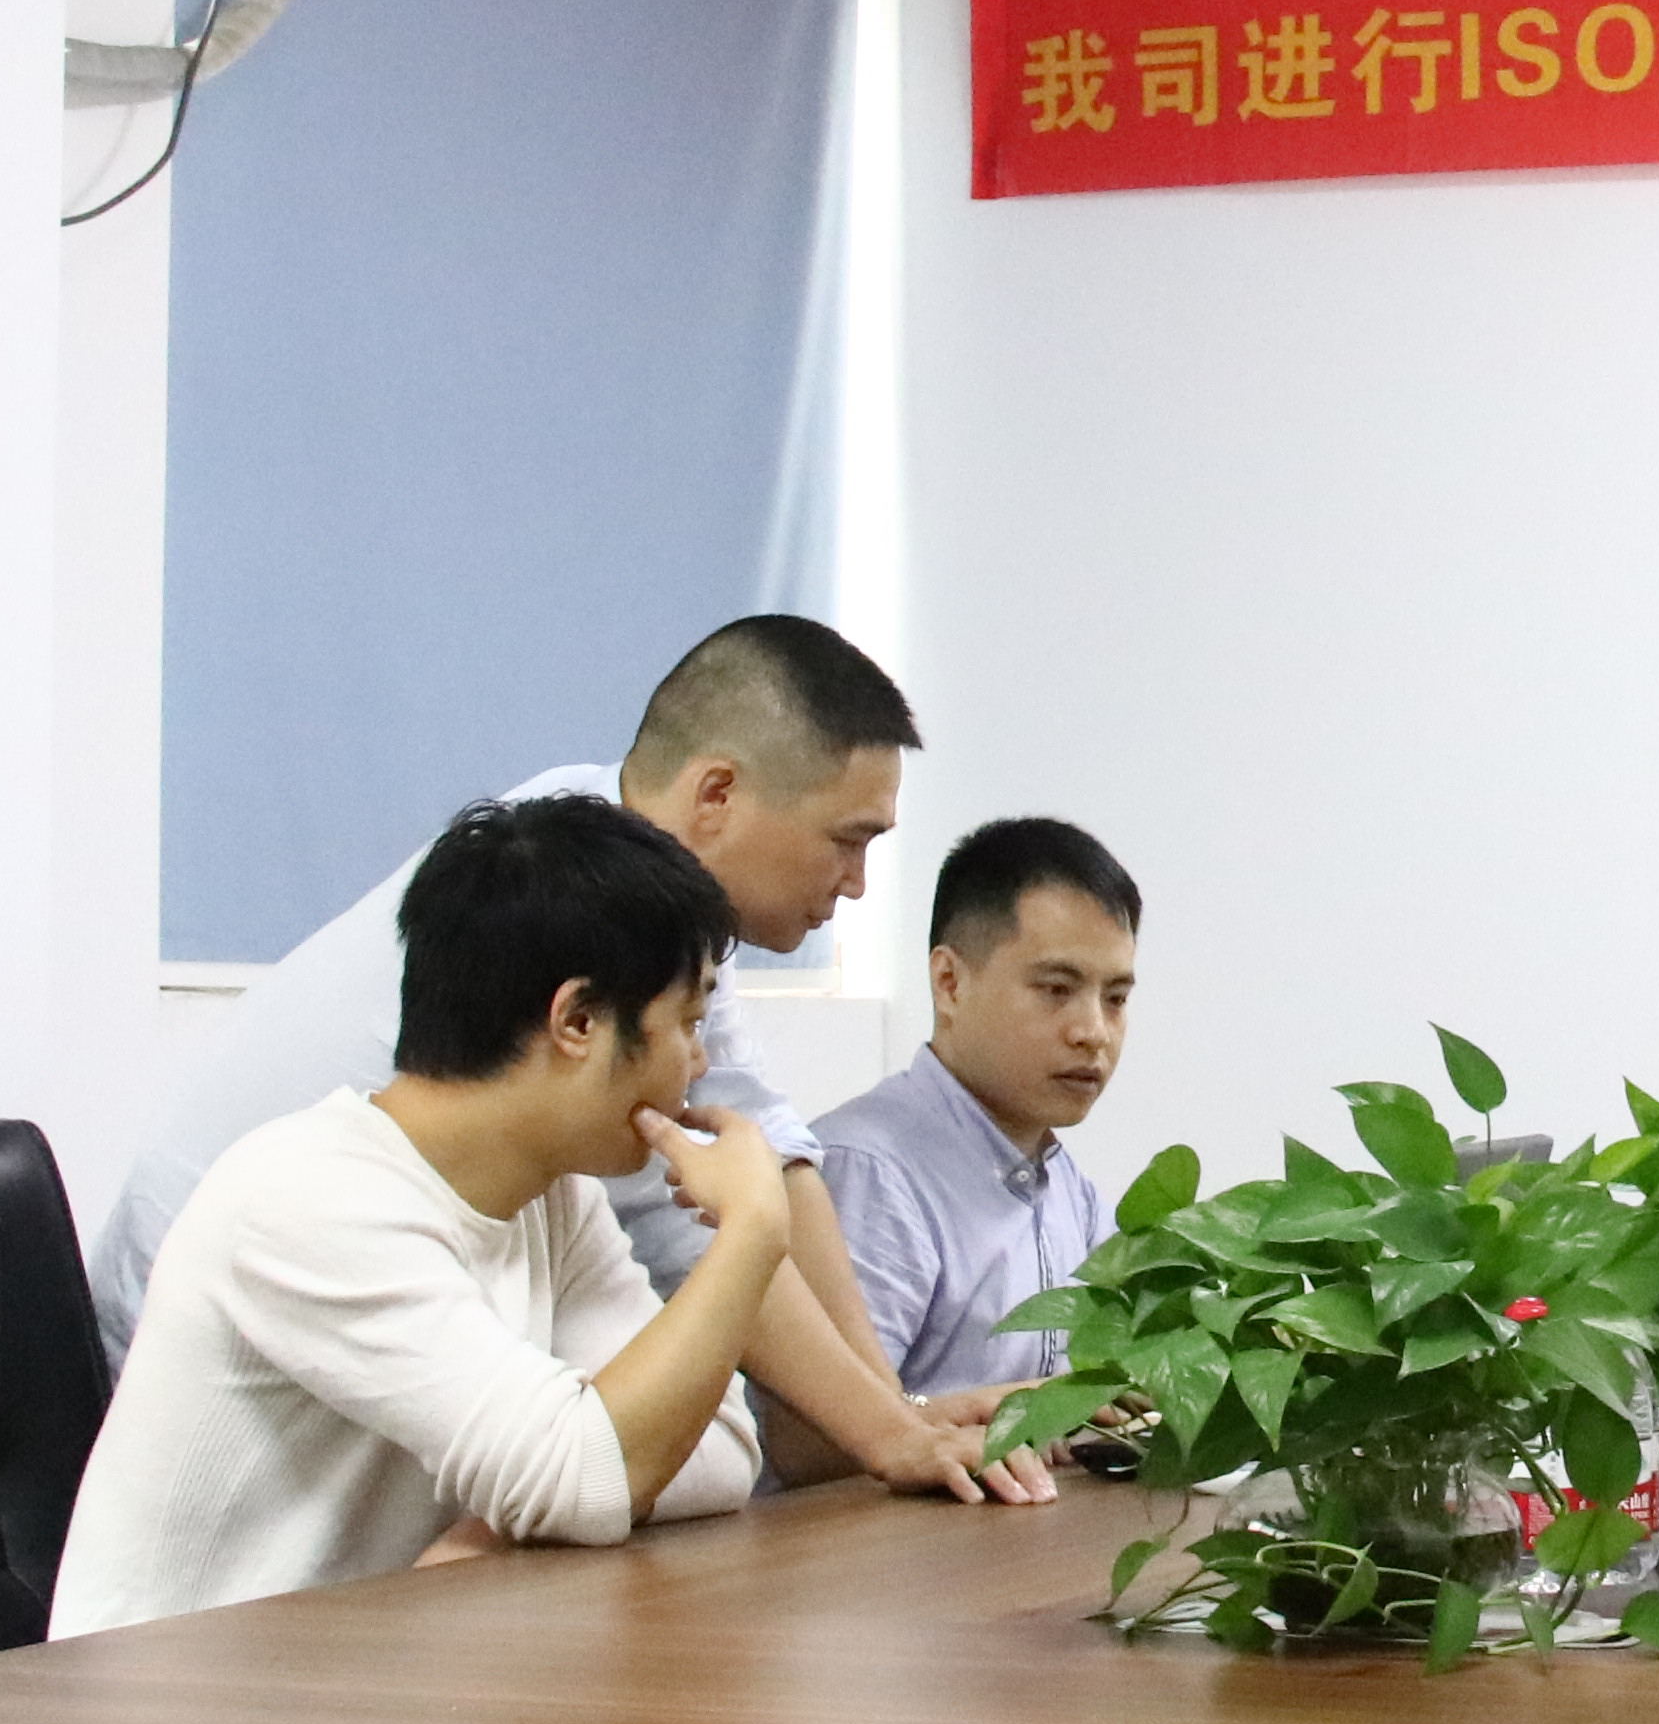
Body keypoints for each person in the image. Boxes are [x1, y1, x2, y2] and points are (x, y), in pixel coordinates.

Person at [50, 793, 791, 1724]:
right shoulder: (312, 1198)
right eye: (686, 1022)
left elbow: (715, 1450)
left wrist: (522, 1511)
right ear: (577, 1021)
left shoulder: (546, 1198)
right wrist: (753, 1235)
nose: (699, 1066)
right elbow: (592, 1471)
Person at [95, 614, 1041, 1504]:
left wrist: (892, 1415)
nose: (859, 884)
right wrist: (887, 1431)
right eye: (848, 840)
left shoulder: (633, 911)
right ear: (717, 794)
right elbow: (703, 1224)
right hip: (237, 1344)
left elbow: (759, 1153)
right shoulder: (571, 903)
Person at [812, 818, 1139, 1413]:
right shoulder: (867, 1171)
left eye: (1115, 999)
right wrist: (1034, 1407)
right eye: (1056, 989)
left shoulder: (1068, 1186)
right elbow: (820, 1440)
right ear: (950, 983)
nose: (1093, 1032)